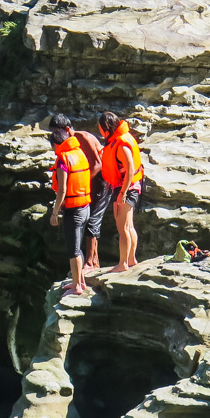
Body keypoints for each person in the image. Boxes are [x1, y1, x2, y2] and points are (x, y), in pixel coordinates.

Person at [49, 114, 105, 269]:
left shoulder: (82, 138)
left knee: (93, 220)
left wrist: (79, 184)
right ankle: (92, 261)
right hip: (85, 186)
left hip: (101, 182)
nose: (56, 137)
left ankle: (90, 262)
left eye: (58, 132)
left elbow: (98, 165)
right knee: (86, 221)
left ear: (67, 129)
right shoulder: (69, 148)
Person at [48, 128, 93, 295]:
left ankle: (77, 287)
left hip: (74, 211)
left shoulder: (63, 160)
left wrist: (55, 213)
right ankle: (79, 280)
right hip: (86, 207)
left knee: (73, 250)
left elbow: (62, 190)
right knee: (78, 247)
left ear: (55, 145)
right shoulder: (79, 153)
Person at [98, 111, 143, 272]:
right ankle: (131, 259)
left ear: (107, 129)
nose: (100, 132)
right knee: (128, 226)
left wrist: (122, 193)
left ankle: (122, 264)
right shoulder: (119, 139)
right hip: (127, 186)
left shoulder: (121, 144)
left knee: (123, 227)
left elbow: (130, 169)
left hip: (127, 188)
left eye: (101, 129)